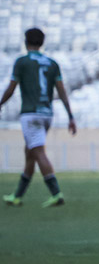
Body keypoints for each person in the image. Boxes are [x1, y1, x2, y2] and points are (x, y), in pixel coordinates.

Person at [1, 28, 76, 207]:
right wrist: (70, 116)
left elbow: (11, 88)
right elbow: (61, 91)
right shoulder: (52, 63)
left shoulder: (22, 62)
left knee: (38, 152)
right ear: (42, 43)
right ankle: (17, 196)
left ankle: (56, 193)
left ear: (26, 42)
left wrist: (0, 103)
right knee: (30, 153)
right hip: (47, 114)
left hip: (30, 114)